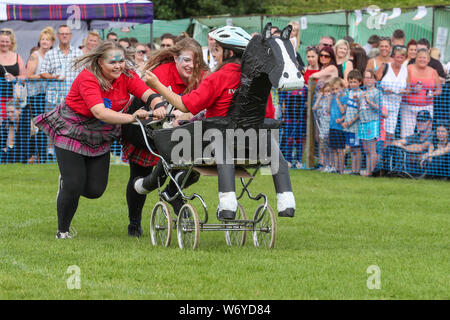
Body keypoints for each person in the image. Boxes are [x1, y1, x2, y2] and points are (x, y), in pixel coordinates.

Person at [139, 25, 296, 219]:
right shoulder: (260, 82)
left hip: (214, 144)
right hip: (255, 146)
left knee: (174, 143)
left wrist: (156, 85)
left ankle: (151, 185)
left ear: (229, 52)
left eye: (217, 50)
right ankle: (286, 201)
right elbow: (268, 116)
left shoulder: (220, 77)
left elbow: (185, 105)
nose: (214, 55)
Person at [33, 40, 163, 239]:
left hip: (101, 133)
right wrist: (131, 118)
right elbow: (100, 112)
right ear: (100, 62)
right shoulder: (88, 77)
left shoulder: (126, 75)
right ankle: (63, 231)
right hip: (73, 128)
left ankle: (67, 184)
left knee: (95, 190)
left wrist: (157, 104)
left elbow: (145, 92)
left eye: (121, 61)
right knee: (74, 184)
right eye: (113, 62)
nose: (118, 65)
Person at [121, 38, 208, 237]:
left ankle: (172, 193)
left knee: (191, 167)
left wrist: (185, 115)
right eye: (186, 60)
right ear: (176, 58)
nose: (190, 65)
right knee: (139, 171)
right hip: (144, 125)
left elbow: (202, 104)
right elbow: (146, 96)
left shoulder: (202, 76)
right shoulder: (161, 72)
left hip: (175, 130)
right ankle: (134, 223)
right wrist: (161, 107)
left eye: (195, 61)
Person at [40, 24, 83, 161]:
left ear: (70, 36)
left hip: (73, 98)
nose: (64, 35)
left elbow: (83, 74)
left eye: (67, 33)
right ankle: (51, 152)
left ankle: (71, 151)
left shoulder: (78, 53)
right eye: (62, 33)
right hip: (53, 97)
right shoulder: (50, 53)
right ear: (57, 36)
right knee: (53, 126)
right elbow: (43, 73)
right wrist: (54, 78)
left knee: (72, 126)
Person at [24, 26, 56, 163]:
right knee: (39, 125)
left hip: (49, 95)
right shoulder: (34, 56)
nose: (44, 42)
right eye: (42, 39)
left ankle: (45, 155)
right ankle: (39, 156)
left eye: (47, 40)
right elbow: (29, 76)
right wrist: (46, 77)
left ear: (52, 42)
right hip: (35, 95)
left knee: (48, 125)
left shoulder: (52, 55)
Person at [401, 48, 441, 138]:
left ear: (428, 60)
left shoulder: (433, 72)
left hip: (427, 107)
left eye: (424, 58)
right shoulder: (408, 69)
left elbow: (439, 90)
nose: (422, 60)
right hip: (408, 107)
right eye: (420, 57)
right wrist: (412, 90)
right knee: (406, 134)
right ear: (416, 58)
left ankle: (423, 151)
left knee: (425, 135)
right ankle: (405, 151)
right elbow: (402, 88)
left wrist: (432, 94)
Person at [381, 110, 433, 176]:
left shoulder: (433, 135)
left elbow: (421, 147)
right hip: (411, 167)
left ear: (430, 122)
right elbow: (397, 142)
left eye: (423, 121)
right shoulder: (415, 136)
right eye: (419, 120)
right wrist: (397, 146)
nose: (420, 123)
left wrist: (402, 148)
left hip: (426, 169)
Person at [380, 45, 408, 144]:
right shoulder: (385, 66)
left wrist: (404, 92)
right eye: (397, 56)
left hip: (395, 106)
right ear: (393, 57)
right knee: (380, 132)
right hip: (382, 105)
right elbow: (375, 83)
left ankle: (385, 157)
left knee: (390, 134)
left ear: (404, 58)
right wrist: (383, 90)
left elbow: (408, 88)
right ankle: (378, 156)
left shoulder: (405, 70)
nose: (399, 59)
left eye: (402, 57)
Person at [358, 70, 383, 176]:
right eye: (365, 77)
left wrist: (369, 101)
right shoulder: (362, 92)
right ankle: (368, 171)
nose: (367, 80)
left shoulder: (377, 92)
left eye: (369, 77)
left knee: (372, 149)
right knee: (366, 150)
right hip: (363, 122)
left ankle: (372, 172)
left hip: (372, 122)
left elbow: (379, 109)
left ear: (374, 80)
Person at [0, 28, 26, 120]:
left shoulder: (17, 57)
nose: (4, 44)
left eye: (7, 41)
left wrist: (14, 78)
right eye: (2, 41)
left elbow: (24, 76)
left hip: (13, 97)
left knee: (12, 123)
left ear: (11, 43)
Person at [341, 70, 362, 175]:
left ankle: (357, 170)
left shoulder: (361, 94)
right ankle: (353, 169)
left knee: (357, 148)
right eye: (351, 81)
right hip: (348, 126)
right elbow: (346, 109)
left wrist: (349, 122)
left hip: (356, 127)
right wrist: (343, 119)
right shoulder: (348, 93)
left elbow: (360, 113)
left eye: (355, 82)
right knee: (352, 148)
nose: (352, 84)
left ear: (360, 82)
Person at [327, 77, 348, 173]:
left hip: (340, 128)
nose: (335, 91)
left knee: (340, 149)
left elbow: (343, 111)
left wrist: (338, 100)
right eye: (333, 89)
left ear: (342, 88)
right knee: (333, 149)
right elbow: (328, 111)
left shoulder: (344, 98)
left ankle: (341, 169)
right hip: (332, 126)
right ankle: (335, 168)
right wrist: (330, 100)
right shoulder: (332, 98)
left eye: (337, 89)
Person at [312, 81, 332, 172]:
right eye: (325, 91)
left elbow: (328, 110)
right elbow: (314, 108)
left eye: (329, 91)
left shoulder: (331, 100)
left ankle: (329, 164)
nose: (327, 93)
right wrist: (319, 97)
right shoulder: (321, 100)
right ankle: (323, 164)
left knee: (328, 146)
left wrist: (329, 100)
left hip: (328, 124)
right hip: (321, 124)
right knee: (322, 146)